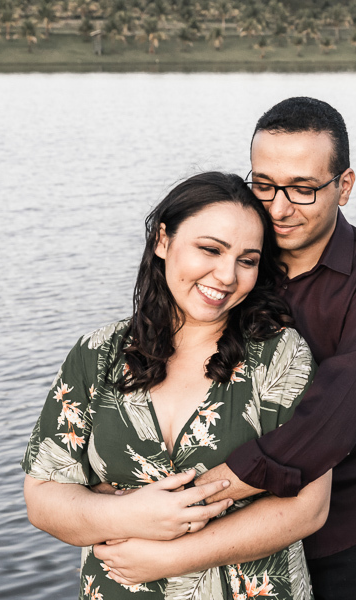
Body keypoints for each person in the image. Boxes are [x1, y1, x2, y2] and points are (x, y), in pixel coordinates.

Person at [94, 98, 356, 599]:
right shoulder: (232, 261)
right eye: (263, 185)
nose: (278, 209)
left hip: (341, 529)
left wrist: (184, 501)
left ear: (344, 186)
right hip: (223, 527)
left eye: (303, 189)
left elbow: (328, 424)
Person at [22, 172, 332, 599]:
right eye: (210, 249)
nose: (227, 275)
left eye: (247, 260)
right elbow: (42, 498)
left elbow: (309, 508)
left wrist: (173, 556)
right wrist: (127, 514)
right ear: (163, 240)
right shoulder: (97, 354)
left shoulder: (280, 356)